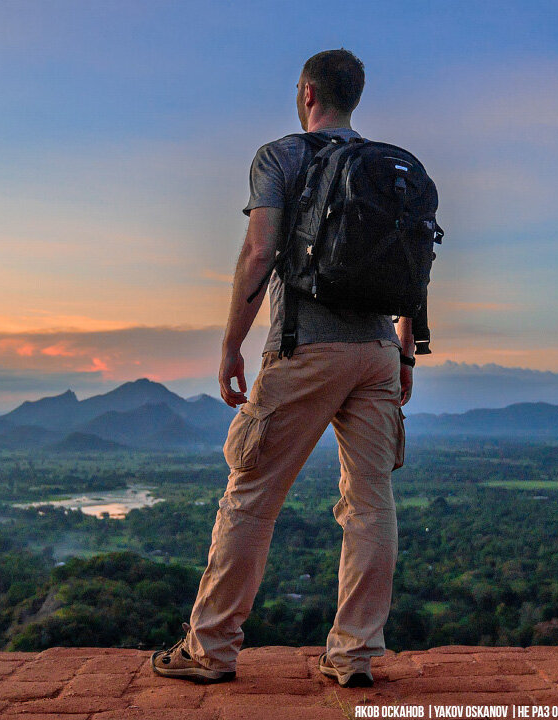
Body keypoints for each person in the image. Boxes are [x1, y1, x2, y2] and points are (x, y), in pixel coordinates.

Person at [151, 49, 414, 689]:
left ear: (306, 93)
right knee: (371, 507)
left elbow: (260, 248)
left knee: (250, 499)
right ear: (355, 97)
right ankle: (353, 655)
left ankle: (210, 649)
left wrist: (231, 343)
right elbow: (415, 265)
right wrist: (406, 347)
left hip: (305, 348)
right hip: (377, 353)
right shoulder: (391, 166)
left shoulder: (281, 156)